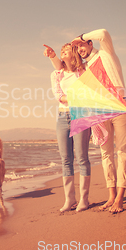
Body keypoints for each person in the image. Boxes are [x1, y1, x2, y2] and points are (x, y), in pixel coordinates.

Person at [47, 29, 126, 213]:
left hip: (119, 105)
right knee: (106, 152)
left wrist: (82, 37)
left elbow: (104, 33)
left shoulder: (105, 52)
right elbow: (62, 68)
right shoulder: (84, 66)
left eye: (82, 45)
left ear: (90, 43)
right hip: (100, 110)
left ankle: (119, 197)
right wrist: (54, 56)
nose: (80, 48)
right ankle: (110, 196)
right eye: (77, 47)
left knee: (122, 151)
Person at [44, 42, 91, 212]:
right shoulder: (56, 74)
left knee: (82, 158)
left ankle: (84, 200)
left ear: (74, 53)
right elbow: (59, 96)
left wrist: (76, 97)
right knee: (66, 159)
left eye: (66, 50)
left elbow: (88, 92)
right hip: (63, 117)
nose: (63, 51)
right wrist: (77, 97)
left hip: (81, 116)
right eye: (61, 50)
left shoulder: (83, 71)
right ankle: (69, 199)